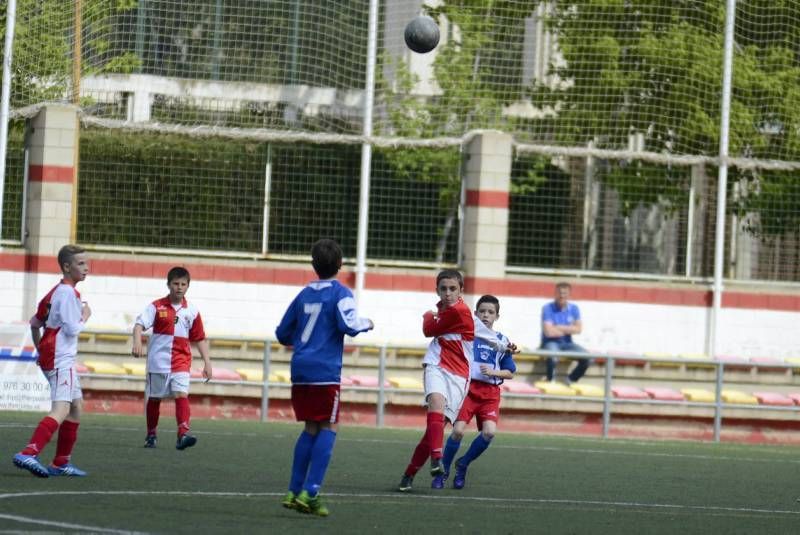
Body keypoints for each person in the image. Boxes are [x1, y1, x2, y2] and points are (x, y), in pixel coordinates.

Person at [276, 239, 373, 517]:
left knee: (310, 428)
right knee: (330, 426)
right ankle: (312, 492)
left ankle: (294, 491)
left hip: (301, 368)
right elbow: (349, 325)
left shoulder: (303, 294)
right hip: (324, 371)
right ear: (340, 265)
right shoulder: (341, 293)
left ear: (313, 265)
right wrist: (367, 323)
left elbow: (283, 333)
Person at [397, 270, 516, 493]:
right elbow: (484, 334)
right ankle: (436, 459)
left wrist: (427, 315)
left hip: (459, 376)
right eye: (444, 289)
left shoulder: (460, 312)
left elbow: (428, 329)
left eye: (453, 289)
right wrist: (503, 346)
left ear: (461, 290)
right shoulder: (451, 311)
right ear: (437, 291)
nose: (448, 293)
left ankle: (409, 473)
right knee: (436, 403)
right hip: (436, 366)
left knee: (434, 430)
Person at [12, 244, 92, 478]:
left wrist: (41, 351)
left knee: (76, 407)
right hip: (61, 359)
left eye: (87, 263)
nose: (86, 268)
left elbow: (35, 323)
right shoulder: (67, 295)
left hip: (53, 356)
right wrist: (85, 315)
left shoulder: (54, 292)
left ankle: (60, 463)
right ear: (66, 267)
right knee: (62, 408)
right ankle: (29, 452)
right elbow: (72, 329)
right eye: (80, 264)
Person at [434, 294, 516, 490]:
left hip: (490, 394)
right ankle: (443, 471)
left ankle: (463, 464)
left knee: (489, 433)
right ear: (475, 314)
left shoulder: (502, 341)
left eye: (490, 312)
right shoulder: (468, 336)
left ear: (497, 316)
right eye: (482, 311)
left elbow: (510, 372)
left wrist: (494, 372)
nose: (486, 315)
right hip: (468, 390)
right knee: (458, 431)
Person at [132, 266, 212, 450]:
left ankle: (183, 433)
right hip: (158, 362)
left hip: (181, 362)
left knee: (181, 395)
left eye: (183, 284)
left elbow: (199, 337)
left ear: (188, 286)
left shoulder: (191, 310)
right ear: (168, 285)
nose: (179, 287)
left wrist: (207, 362)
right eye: (175, 283)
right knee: (154, 399)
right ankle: (151, 434)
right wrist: (137, 341)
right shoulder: (156, 306)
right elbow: (138, 325)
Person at [540, 282, 589, 384]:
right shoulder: (547, 308)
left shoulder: (574, 308)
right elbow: (548, 332)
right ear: (555, 293)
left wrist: (558, 327)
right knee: (552, 355)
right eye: (559, 293)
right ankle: (550, 380)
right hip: (550, 342)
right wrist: (569, 329)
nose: (562, 295)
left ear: (569, 295)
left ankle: (571, 380)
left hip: (567, 343)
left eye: (565, 293)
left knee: (588, 358)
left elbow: (578, 329)